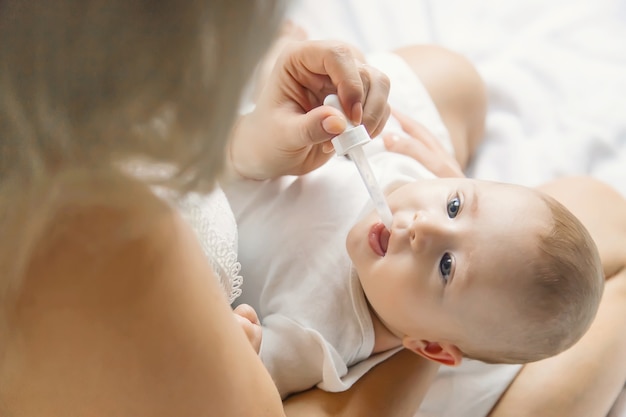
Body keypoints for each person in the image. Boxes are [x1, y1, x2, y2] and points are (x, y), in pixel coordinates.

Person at [1, 1, 431, 416]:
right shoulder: (100, 248)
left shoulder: (75, 127)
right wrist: (435, 335)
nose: (425, 230)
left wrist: (247, 143)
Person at [225, 42, 603, 400]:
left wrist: (249, 348)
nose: (424, 226)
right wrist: (345, 93)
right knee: (452, 79)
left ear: (431, 347)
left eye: (446, 266)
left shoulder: (321, 338)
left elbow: (246, 380)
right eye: (454, 207)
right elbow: (352, 123)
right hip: (251, 147)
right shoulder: (409, 174)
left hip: (207, 199)